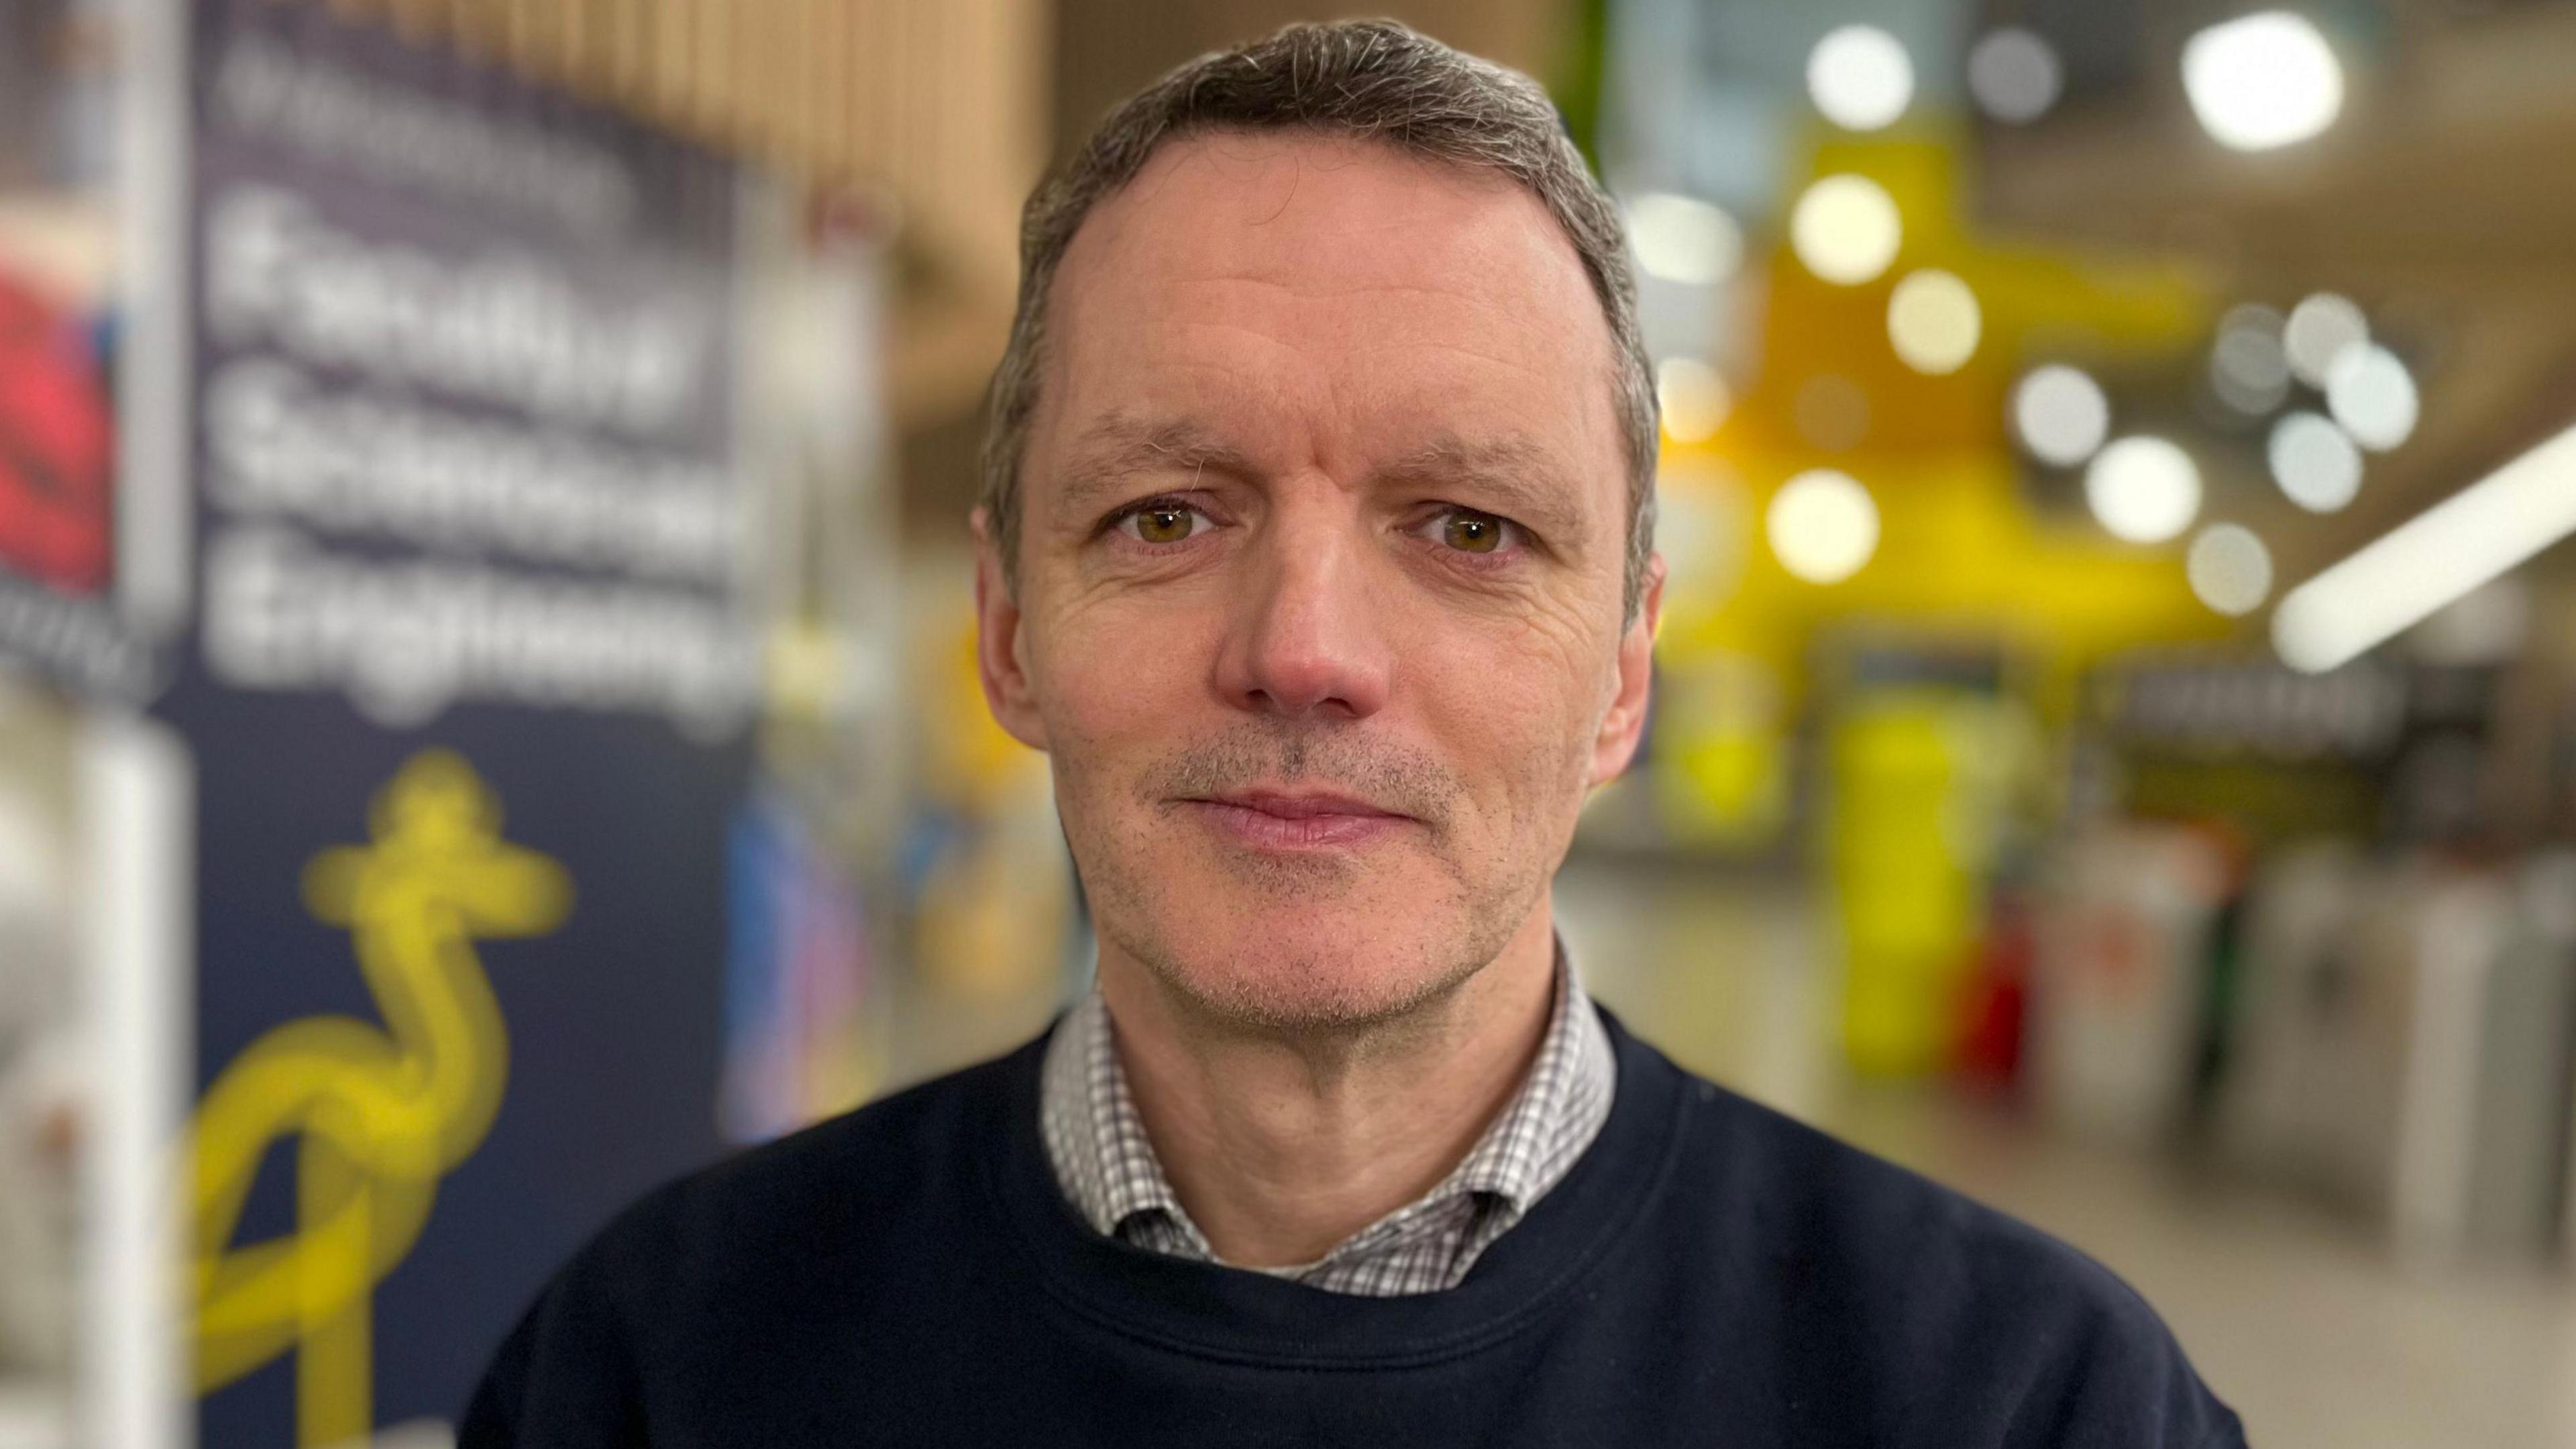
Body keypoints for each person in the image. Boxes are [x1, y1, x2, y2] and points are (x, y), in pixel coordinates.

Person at [464, 20, 2245, 1447]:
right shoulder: (653, 1370)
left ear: (1624, 670)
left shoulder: (2026, 1402)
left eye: (1469, 529)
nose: (1305, 652)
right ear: (1008, 632)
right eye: (1167, 514)